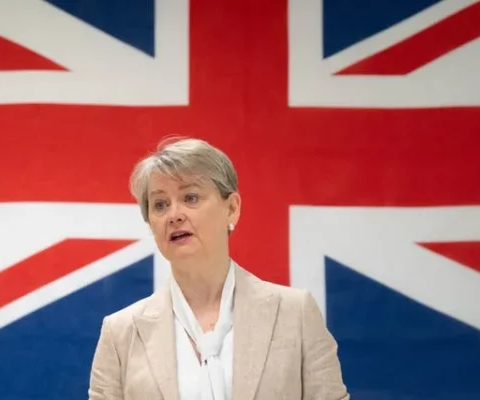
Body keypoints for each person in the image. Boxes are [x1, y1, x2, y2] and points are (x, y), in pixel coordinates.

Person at [88, 137, 350, 400]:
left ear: (232, 208)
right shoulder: (121, 333)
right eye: (160, 205)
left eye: (190, 197)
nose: (174, 215)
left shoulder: (295, 313)